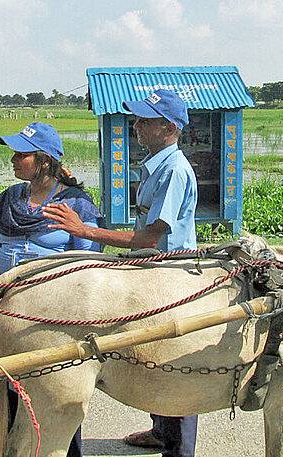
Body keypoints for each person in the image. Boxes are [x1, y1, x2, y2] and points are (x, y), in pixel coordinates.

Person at [43, 89, 199, 457]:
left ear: (169, 128)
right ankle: (160, 430)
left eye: (146, 120)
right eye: (138, 119)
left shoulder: (174, 170)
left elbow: (149, 236)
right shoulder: (154, 164)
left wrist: (86, 232)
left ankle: (177, 447)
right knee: (153, 350)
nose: (138, 126)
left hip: (169, 275)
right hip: (152, 268)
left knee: (173, 362)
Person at [0, 122, 101, 457]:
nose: (13, 159)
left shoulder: (74, 203)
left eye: (21, 154)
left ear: (43, 160)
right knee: (6, 383)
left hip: (50, 313)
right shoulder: (10, 198)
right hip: (3, 307)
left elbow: (87, 256)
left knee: (55, 389)